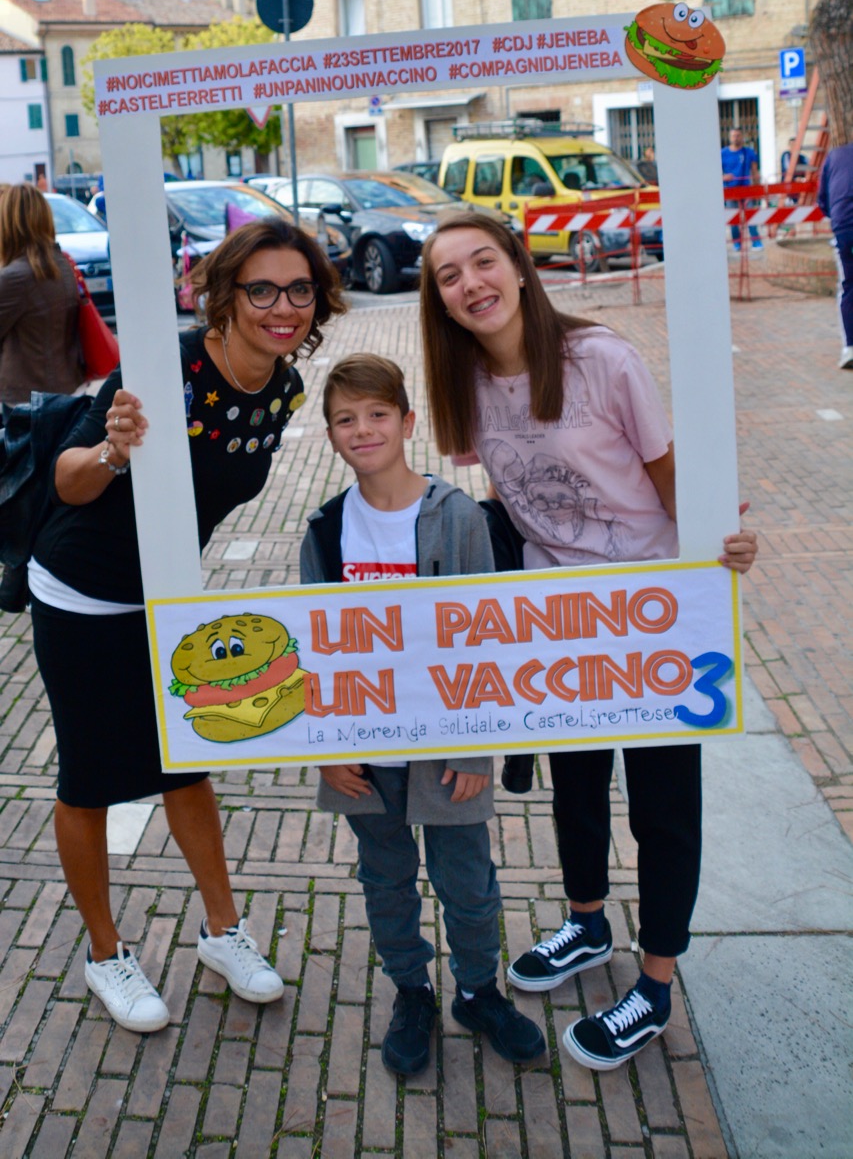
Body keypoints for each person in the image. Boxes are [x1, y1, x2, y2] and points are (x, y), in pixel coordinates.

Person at [419, 211, 757, 1072]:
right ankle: (585, 923)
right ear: (441, 302)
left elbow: (668, 473)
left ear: (520, 269)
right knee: (575, 783)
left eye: (482, 262)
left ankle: (653, 982)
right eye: (448, 276)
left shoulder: (600, 359)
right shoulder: (463, 385)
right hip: (555, 617)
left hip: (648, 609)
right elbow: (505, 494)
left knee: (662, 803)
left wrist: (719, 539)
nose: (469, 285)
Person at [29, 217, 348, 1033]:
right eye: (263, 289)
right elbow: (66, 484)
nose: (283, 306)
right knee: (91, 777)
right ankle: (105, 953)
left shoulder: (283, 388)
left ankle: (222, 931)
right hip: (84, 593)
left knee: (187, 763)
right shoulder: (165, 365)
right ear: (227, 294)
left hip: (169, 600)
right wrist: (113, 451)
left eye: (299, 289)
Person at [300, 354, 546, 1075]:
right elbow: (317, 648)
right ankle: (412, 988)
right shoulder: (324, 531)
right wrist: (329, 746)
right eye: (345, 419)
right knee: (384, 876)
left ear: (407, 423)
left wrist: (473, 750)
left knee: (466, 879)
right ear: (330, 435)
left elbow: (485, 638)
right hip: (366, 745)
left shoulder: (458, 516)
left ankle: (477, 988)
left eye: (377, 414)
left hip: (447, 741)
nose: (362, 429)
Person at [0, 183, 85, 407]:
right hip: (64, 390)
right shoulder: (59, 264)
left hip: (25, 402)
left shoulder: (17, 276)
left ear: (8, 223)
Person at [817, 142, 853, 369]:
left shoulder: (834, 156)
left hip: (844, 226)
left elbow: (823, 200)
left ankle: (850, 347)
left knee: (849, 286)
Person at [721, 127, 762, 251]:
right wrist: (723, 177)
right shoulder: (722, 153)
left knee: (751, 216)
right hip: (730, 190)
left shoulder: (748, 152)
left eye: (738, 135)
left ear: (742, 137)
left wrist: (757, 189)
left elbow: (755, 171)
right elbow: (714, 172)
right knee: (734, 219)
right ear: (729, 137)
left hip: (747, 189)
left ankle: (756, 242)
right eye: (733, 135)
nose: (736, 138)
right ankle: (737, 243)